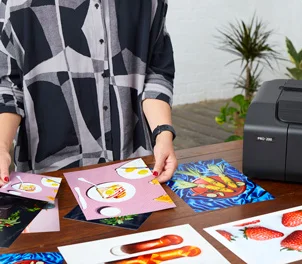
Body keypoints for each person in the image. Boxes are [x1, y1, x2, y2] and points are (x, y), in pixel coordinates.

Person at [0, 0, 177, 187]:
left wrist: (162, 133)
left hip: (134, 166)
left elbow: (156, 71)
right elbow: (8, 85)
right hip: (48, 174)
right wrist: (2, 146)